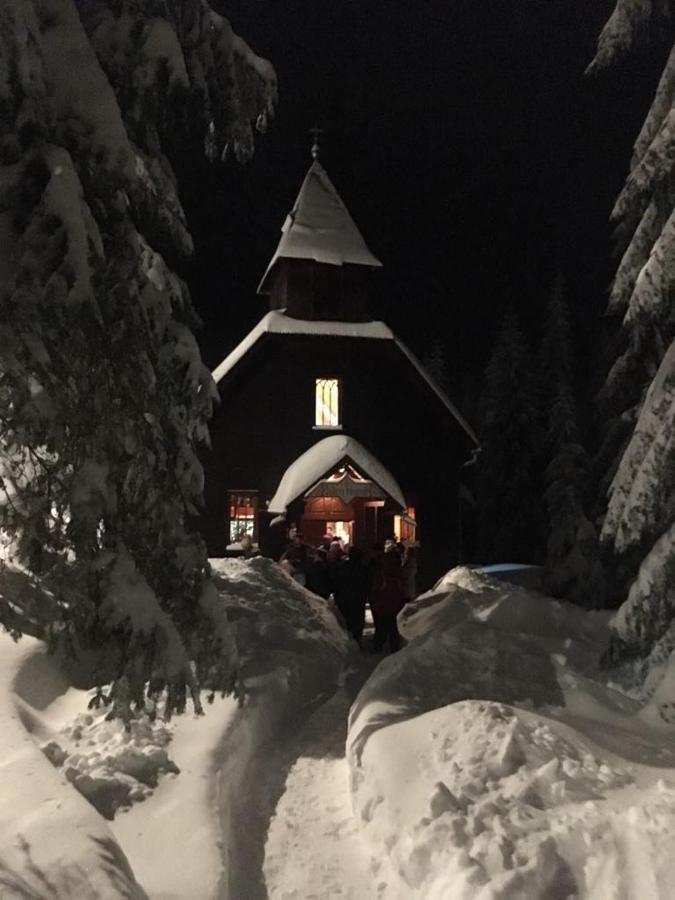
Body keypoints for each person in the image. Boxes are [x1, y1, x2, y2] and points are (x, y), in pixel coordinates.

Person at [369, 549, 405, 653]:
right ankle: (394, 646)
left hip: (382, 603)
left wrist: (374, 600)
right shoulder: (398, 572)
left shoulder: (382, 572)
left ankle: (378, 645)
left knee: (381, 626)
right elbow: (401, 589)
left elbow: (376, 588)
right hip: (393, 603)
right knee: (392, 625)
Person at [333, 547, 370, 647]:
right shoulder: (363, 568)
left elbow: (337, 582)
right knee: (358, 619)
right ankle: (357, 639)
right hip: (358, 598)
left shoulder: (343, 566)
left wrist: (337, 595)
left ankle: (350, 640)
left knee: (348, 619)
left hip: (346, 597)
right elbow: (367, 583)